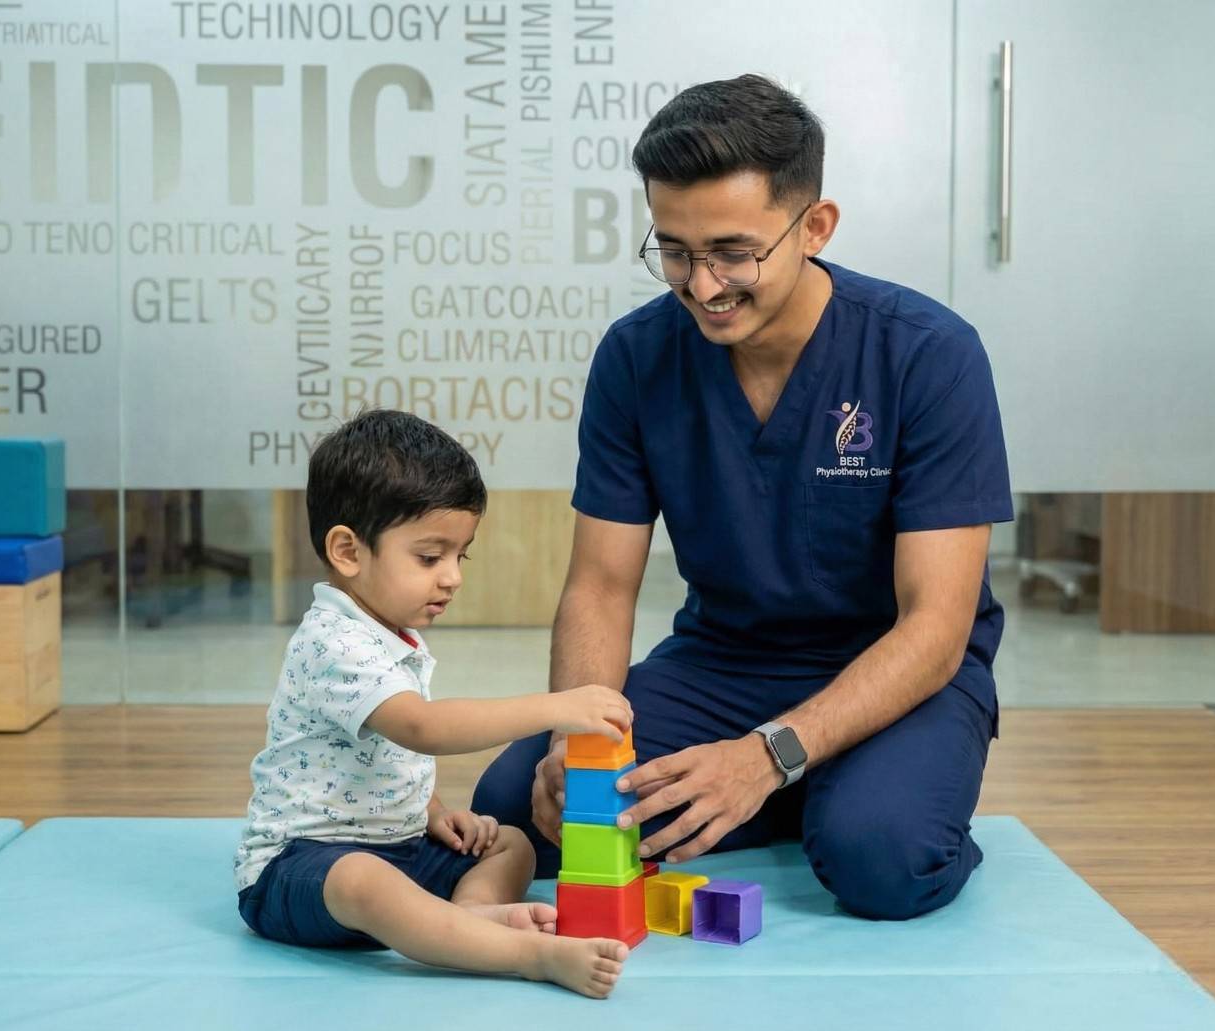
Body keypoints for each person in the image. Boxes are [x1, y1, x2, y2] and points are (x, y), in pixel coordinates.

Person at [474, 74, 1014, 920]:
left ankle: (838, 791)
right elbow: (601, 585)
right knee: (523, 806)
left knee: (881, 855)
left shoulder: (928, 355)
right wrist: (574, 744)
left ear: (816, 226)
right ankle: (802, 791)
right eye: (675, 251)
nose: (702, 285)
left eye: (734, 251)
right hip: (724, 667)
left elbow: (937, 629)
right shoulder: (637, 358)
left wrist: (765, 757)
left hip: (901, 675)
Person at [234, 409, 631, 997]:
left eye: (459, 556)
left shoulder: (390, 631)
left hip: (400, 848)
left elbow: (382, 755)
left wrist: (435, 812)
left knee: (511, 844)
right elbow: (421, 727)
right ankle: (525, 955)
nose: (452, 578)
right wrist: (555, 706)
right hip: (301, 867)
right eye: (429, 558)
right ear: (347, 551)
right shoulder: (332, 641)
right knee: (366, 881)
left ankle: (468, 920)